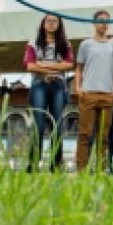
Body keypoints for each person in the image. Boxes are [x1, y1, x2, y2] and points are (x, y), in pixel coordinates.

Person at [23, 14, 73, 173]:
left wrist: (42, 65)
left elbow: (69, 64)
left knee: (57, 125)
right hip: (39, 84)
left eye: (55, 22)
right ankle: (33, 164)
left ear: (59, 25)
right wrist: (56, 67)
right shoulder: (33, 43)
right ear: (43, 24)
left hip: (58, 85)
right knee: (38, 126)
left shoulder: (65, 44)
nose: (51, 24)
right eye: (48, 21)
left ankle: (56, 164)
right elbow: (30, 66)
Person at [74, 10, 113, 173]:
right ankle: (81, 169)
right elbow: (79, 67)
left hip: (107, 94)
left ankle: (101, 169)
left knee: (103, 136)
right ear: (94, 23)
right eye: (100, 20)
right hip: (88, 93)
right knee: (84, 134)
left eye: (107, 20)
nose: (104, 23)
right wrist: (78, 87)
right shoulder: (86, 45)